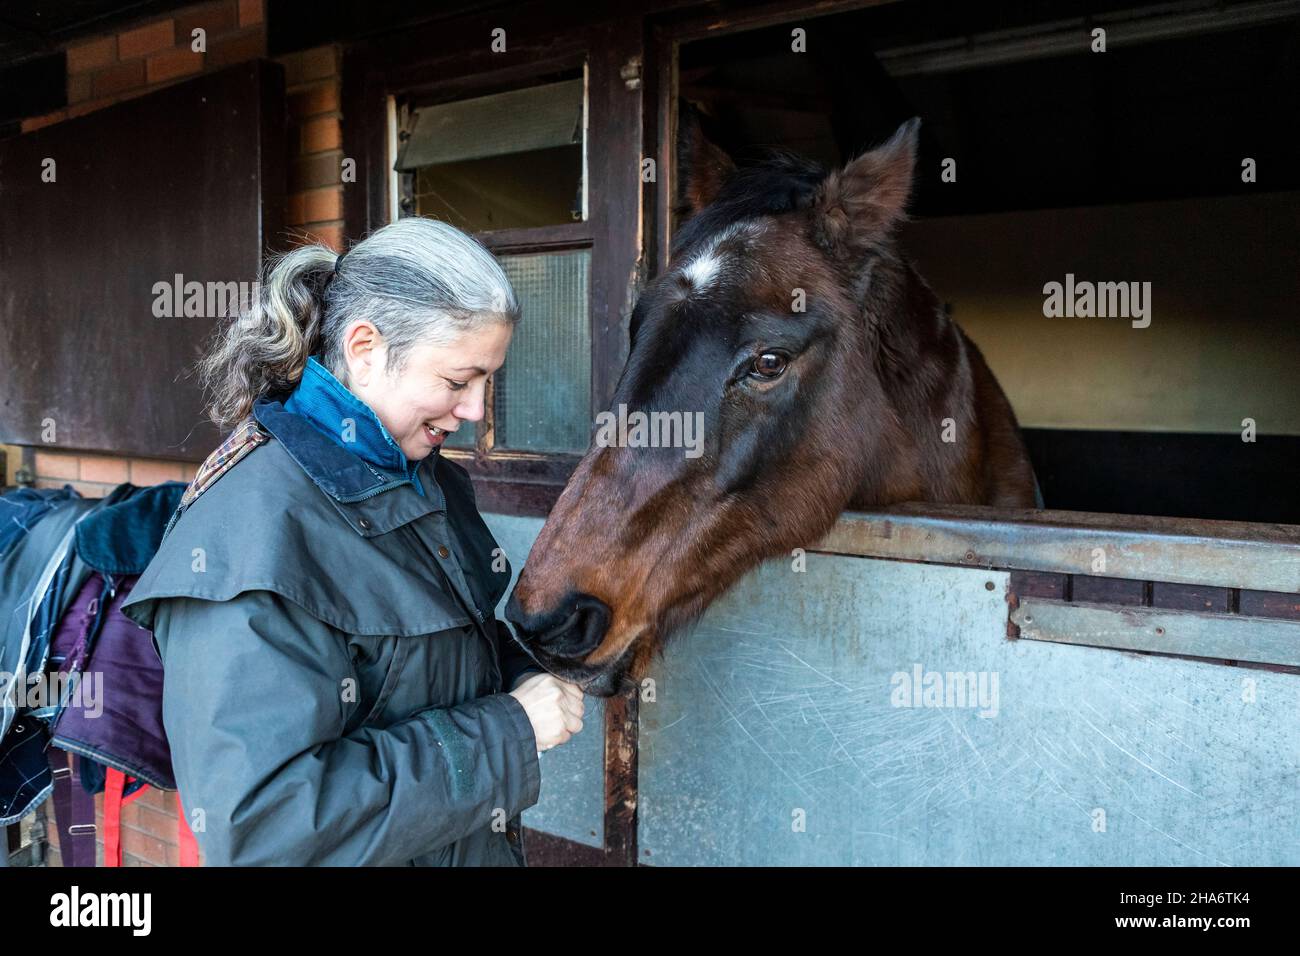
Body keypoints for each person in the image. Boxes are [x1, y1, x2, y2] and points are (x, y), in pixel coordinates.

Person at [122, 216, 585, 866]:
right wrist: (510, 733)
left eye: (489, 381)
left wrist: (540, 665)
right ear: (365, 347)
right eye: (458, 381)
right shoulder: (251, 534)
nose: (477, 410)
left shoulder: (429, 479)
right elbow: (266, 827)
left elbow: (429, 664)